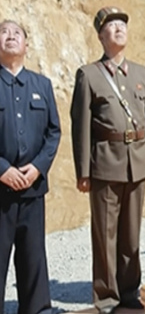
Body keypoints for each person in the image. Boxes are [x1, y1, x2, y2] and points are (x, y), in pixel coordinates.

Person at [70, 7, 145, 314]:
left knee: (131, 234)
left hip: (138, 161)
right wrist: (83, 171)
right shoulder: (89, 74)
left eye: (122, 24)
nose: (119, 28)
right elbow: (81, 126)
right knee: (105, 235)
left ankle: (130, 292)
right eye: (111, 25)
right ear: (100, 35)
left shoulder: (140, 73)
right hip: (105, 163)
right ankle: (107, 297)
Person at [0, 20, 61, 314]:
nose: (10, 36)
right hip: (0, 192)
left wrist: (38, 167)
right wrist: (2, 169)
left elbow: (54, 132)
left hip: (32, 191)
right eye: (3, 32)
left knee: (33, 261)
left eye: (17, 33)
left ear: (26, 45)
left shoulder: (42, 85)